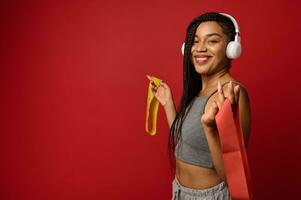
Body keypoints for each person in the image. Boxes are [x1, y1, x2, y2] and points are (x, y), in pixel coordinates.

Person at [146, 12, 251, 199]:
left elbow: (233, 178)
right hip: (179, 192)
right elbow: (185, 144)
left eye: (212, 41)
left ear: (231, 48)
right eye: (195, 41)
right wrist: (168, 103)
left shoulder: (231, 93)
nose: (200, 48)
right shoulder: (197, 94)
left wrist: (209, 128)